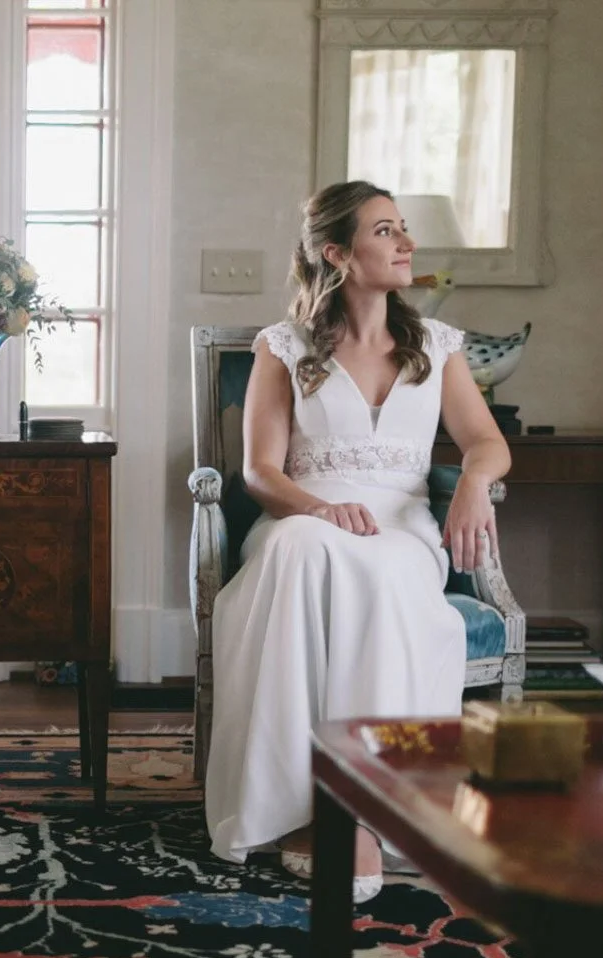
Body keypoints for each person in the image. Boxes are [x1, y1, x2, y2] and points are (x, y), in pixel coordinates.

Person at [204, 180, 510, 901]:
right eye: (384, 231)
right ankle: (297, 805)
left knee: (386, 569)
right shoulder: (283, 347)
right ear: (337, 254)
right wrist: (320, 509)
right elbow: (260, 472)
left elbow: (487, 441)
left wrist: (473, 481)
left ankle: (362, 807)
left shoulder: (436, 346)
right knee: (297, 551)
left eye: (402, 228)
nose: (406, 243)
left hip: (401, 527)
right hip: (303, 514)